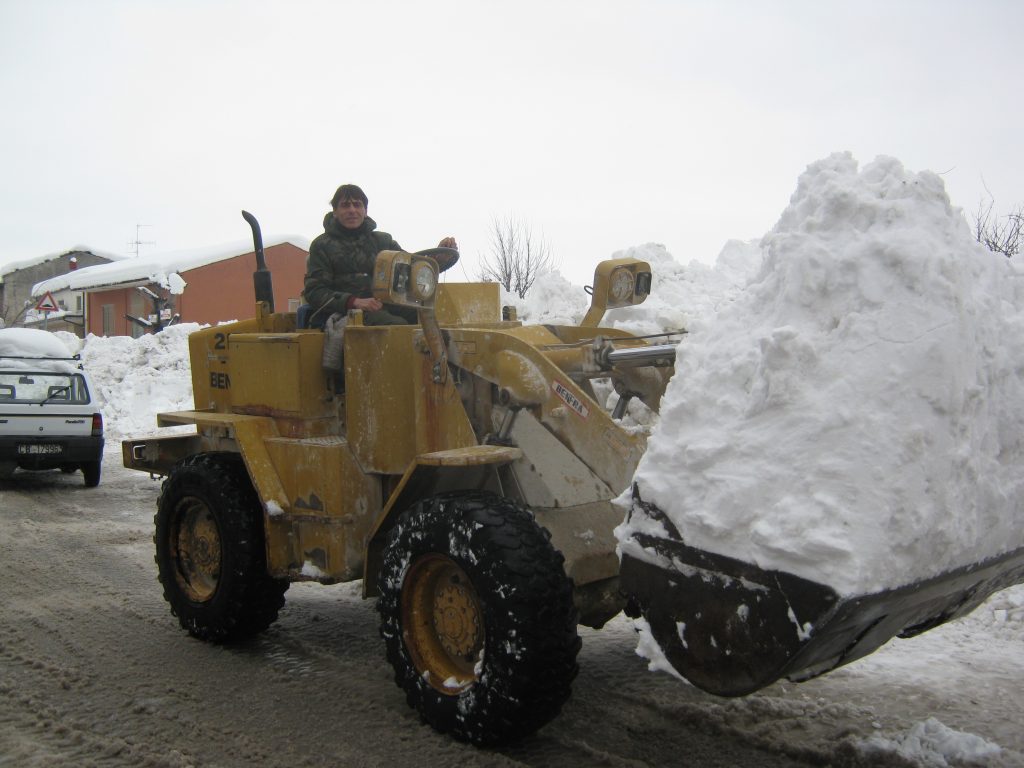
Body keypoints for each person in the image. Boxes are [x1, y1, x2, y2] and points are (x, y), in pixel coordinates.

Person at [303, 183, 457, 327]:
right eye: (345, 205)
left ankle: (448, 355)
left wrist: (438, 260)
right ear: (335, 212)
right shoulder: (322, 246)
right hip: (348, 313)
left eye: (357, 204)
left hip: (388, 304)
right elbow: (315, 291)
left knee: (434, 319)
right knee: (397, 327)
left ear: (365, 210)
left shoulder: (383, 241)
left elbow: (412, 270)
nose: (352, 210)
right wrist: (354, 301)